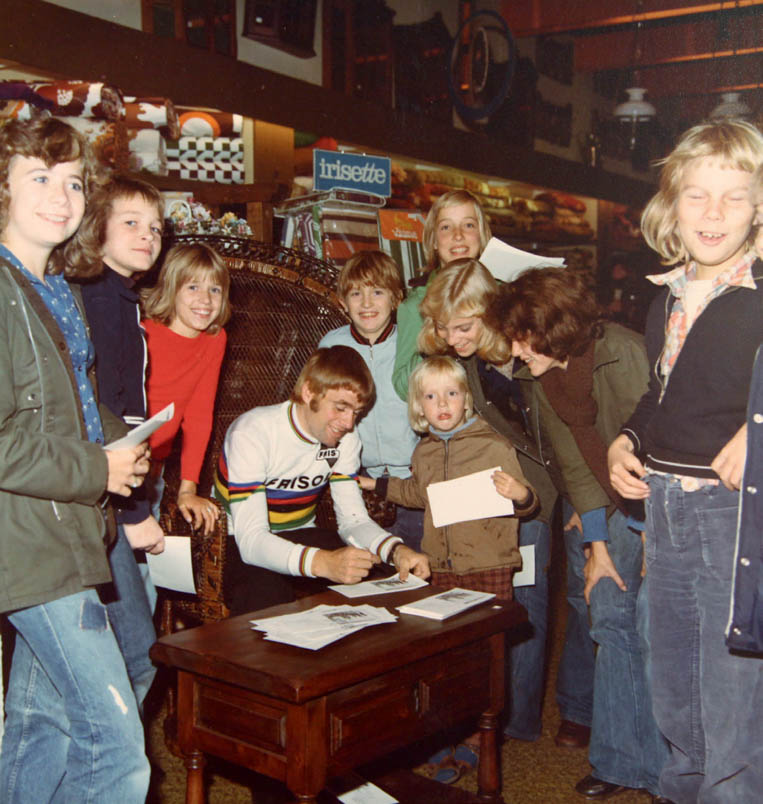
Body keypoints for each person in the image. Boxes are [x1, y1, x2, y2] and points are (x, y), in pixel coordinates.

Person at [608, 119, 763, 803]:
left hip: (730, 517)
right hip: (664, 511)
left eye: (734, 197)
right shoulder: (664, 295)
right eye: (696, 196)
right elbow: (659, 395)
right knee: (671, 685)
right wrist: (627, 440)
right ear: (670, 206)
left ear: (758, 207)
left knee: (730, 700)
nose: (713, 214)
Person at [0, 116, 150, 801]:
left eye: (72, 182)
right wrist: (99, 470)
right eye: (38, 178)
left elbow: (65, 408)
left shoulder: (55, 286)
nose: (60, 196)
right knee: (120, 753)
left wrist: (119, 438)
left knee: (42, 728)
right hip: (29, 545)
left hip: (63, 537)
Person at [488, 265, 669, 801]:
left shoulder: (628, 353)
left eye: (523, 338)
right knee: (607, 616)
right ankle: (618, 761)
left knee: (654, 629)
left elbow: (663, 451)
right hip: (609, 504)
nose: (516, 352)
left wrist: (650, 539)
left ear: (553, 326)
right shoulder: (539, 375)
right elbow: (573, 460)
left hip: (663, 504)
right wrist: (595, 545)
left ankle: (667, 771)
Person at [417, 259, 575, 748]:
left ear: (491, 312)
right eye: (443, 327)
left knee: (530, 603)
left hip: (545, 491)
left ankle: (520, 721)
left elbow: (565, 428)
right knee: (501, 607)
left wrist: (567, 500)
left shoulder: (529, 351)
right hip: (492, 498)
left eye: (464, 326)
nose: (452, 337)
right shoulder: (465, 366)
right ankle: (487, 719)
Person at [360, 354, 538, 783]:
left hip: (488, 564)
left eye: (452, 394)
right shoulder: (422, 451)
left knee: (486, 658)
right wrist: (377, 484)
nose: (442, 404)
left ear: (467, 399)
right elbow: (419, 494)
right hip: (441, 568)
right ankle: (447, 736)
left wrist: (520, 493)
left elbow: (527, 501)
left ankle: (481, 738)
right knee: (447, 660)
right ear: (419, 407)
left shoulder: (493, 444)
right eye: (431, 396)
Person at [214, 345, 431, 615]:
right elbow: (252, 542)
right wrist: (323, 563)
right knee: (268, 596)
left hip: (301, 533)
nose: (349, 423)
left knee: (384, 578)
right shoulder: (253, 432)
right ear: (309, 392)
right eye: (341, 408)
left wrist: (396, 551)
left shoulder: (346, 440)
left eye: (357, 412)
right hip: (235, 540)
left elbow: (353, 520)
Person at [75, 175, 165, 708]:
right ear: (97, 228)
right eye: (131, 223)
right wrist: (132, 515)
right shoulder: (100, 302)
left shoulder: (122, 298)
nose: (147, 236)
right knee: (135, 652)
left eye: (154, 228)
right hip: (109, 495)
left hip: (125, 489)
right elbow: (98, 412)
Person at [319, 250, 423, 550]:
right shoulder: (331, 346)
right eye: (356, 293)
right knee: (371, 568)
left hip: (412, 478)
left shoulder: (414, 342)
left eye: (377, 292)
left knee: (418, 563)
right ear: (343, 302)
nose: (366, 303)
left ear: (396, 298)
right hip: (361, 480)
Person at [142, 242, 230, 535]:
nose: (205, 299)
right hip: (120, 458)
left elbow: (199, 415)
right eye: (193, 287)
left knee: (146, 552)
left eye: (215, 290)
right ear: (171, 289)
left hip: (155, 467)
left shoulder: (214, 340)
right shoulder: (145, 333)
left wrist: (187, 488)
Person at [391, 189, 491, 401]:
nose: (458, 235)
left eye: (469, 225)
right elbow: (402, 387)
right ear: (434, 241)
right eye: (446, 227)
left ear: (482, 236)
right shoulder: (416, 304)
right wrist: (436, 339)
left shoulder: (500, 291)